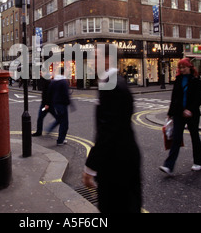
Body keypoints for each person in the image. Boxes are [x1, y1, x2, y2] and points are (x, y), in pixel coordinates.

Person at [83, 44, 142, 213]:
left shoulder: (112, 85)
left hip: (118, 163)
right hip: (120, 158)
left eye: (96, 57)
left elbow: (108, 130)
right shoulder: (112, 82)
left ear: (108, 59)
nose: (93, 61)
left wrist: (90, 167)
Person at [160, 58, 201, 176]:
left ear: (190, 67)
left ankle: (198, 162)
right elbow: (174, 98)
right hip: (179, 114)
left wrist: (190, 110)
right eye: (180, 67)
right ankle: (168, 165)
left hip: (192, 114)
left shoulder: (196, 80)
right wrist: (170, 113)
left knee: (195, 137)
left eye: (184, 67)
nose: (182, 69)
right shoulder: (178, 80)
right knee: (176, 138)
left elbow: (198, 99)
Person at [44, 67, 71, 145]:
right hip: (62, 104)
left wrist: (48, 103)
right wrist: (68, 102)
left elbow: (49, 93)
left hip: (56, 104)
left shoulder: (53, 81)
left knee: (60, 119)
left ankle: (50, 129)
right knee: (64, 123)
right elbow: (66, 94)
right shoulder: (63, 81)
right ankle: (60, 140)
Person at [32, 72, 55, 137]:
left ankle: (45, 130)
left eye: (41, 73)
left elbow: (48, 94)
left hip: (47, 105)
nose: (40, 74)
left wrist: (47, 104)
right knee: (40, 117)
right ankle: (39, 132)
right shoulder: (45, 81)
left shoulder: (47, 82)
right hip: (46, 105)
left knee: (41, 117)